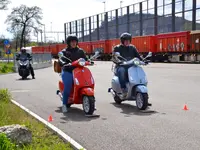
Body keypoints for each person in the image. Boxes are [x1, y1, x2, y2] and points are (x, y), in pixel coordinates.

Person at [58, 35, 88, 113]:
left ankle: (88, 101)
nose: (73, 43)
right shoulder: (64, 51)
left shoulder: (80, 51)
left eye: (75, 41)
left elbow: (85, 58)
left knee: (86, 82)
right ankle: (64, 105)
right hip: (68, 70)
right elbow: (60, 59)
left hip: (79, 71)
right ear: (68, 42)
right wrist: (63, 63)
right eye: (72, 41)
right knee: (68, 86)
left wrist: (89, 61)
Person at [112, 32, 143, 97]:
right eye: (125, 41)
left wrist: (143, 60)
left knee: (139, 69)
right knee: (122, 70)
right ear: (122, 41)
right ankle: (123, 89)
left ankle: (142, 92)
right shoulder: (117, 48)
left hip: (131, 66)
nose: (127, 42)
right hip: (120, 66)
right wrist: (118, 61)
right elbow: (114, 57)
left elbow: (138, 56)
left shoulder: (132, 48)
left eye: (128, 40)